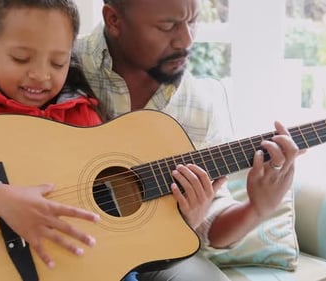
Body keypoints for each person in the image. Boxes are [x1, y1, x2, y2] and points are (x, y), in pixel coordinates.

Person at [0, 1, 217, 280]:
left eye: (58, 63)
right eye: (22, 58)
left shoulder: (82, 114)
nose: (40, 75)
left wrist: (186, 218)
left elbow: (115, 231)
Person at [72, 0, 301, 280]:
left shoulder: (198, 106)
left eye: (192, 22)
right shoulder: (58, 62)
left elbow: (209, 226)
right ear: (114, 20)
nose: (186, 40)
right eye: (167, 25)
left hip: (151, 252)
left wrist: (257, 208)